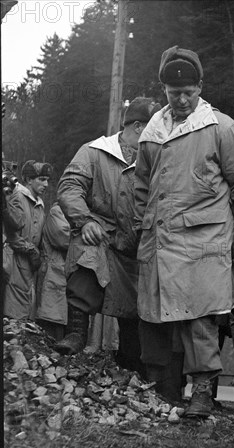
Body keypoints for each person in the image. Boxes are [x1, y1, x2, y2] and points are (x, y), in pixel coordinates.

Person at [133, 46, 234, 418]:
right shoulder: (152, 133)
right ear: (164, 92)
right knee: (156, 316)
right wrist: (137, 229)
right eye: (175, 93)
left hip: (204, 241)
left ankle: (202, 391)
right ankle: (164, 389)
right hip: (159, 241)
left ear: (200, 87)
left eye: (189, 91)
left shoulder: (221, 128)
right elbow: (142, 188)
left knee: (200, 317)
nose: (182, 98)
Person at [54, 97, 162, 384]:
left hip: (136, 248)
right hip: (100, 238)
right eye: (154, 127)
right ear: (139, 127)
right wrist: (85, 220)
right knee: (88, 250)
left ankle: (131, 365)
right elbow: (69, 188)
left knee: (137, 311)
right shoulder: (94, 151)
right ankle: (76, 332)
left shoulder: (155, 160)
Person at [3, 160, 51, 319]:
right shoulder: (17, 195)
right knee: (13, 312)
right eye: (41, 179)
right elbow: (11, 234)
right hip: (14, 260)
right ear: (29, 180)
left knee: (26, 311)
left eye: (47, 180)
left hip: (30, 265)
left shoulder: (39, 202)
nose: (46, 184)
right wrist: (30, 250)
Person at [35, 202, 71, 341]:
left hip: (61, 273)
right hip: (54, 272)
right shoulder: (57, 211)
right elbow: (63, 239)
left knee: (60, 320)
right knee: (51, 319)